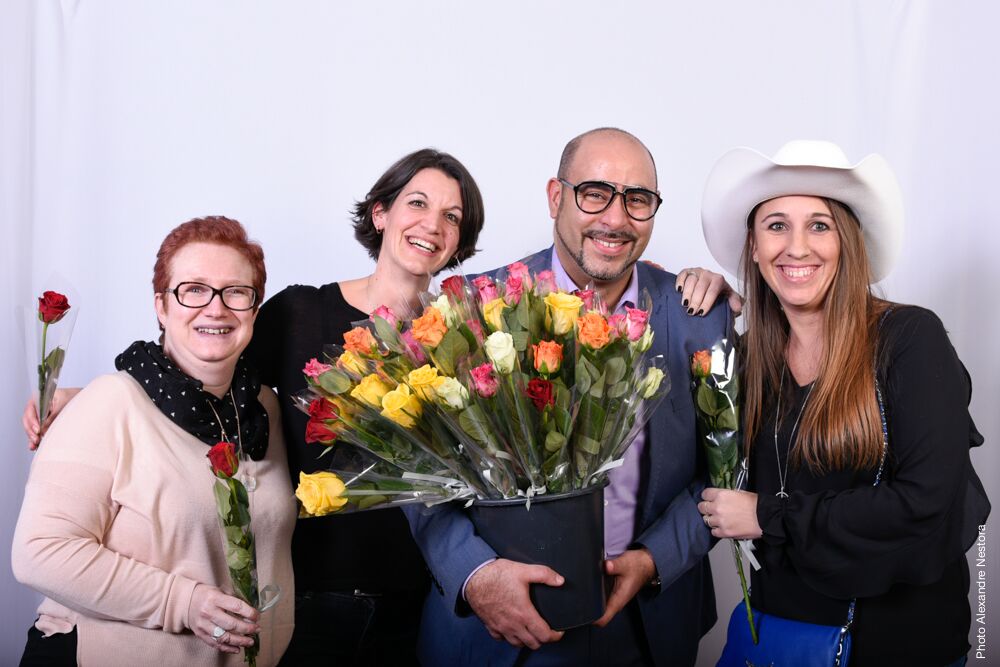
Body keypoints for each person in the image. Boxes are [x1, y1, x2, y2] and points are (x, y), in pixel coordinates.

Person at [406, 127, 733, 667]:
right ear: (556, 197)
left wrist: (654, 560)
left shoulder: (699, 316)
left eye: (637, 199)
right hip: (493, 637)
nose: (616, 218)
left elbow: (723, 472)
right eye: (595, 193)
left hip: (646, 629)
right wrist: (475, 573)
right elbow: (421, 472)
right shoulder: (467, 308)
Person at [696, 140, 990, 666]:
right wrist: (693, 310)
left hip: (895, 645)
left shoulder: (908, 339)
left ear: (847, 242)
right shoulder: (748, 358)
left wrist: (767, 514)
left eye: (820, 225)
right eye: (777, 225)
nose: (797, 247)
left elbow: (925, 501)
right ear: (754, 247)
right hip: (776, 639)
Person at [12, 216, 295, 666]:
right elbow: (39, 552)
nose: (216, 308)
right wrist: (182, 602)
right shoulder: (107, 403)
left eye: (236, 292)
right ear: (161, 306)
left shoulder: (263, 408)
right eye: (193, 290)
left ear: (254, 309)